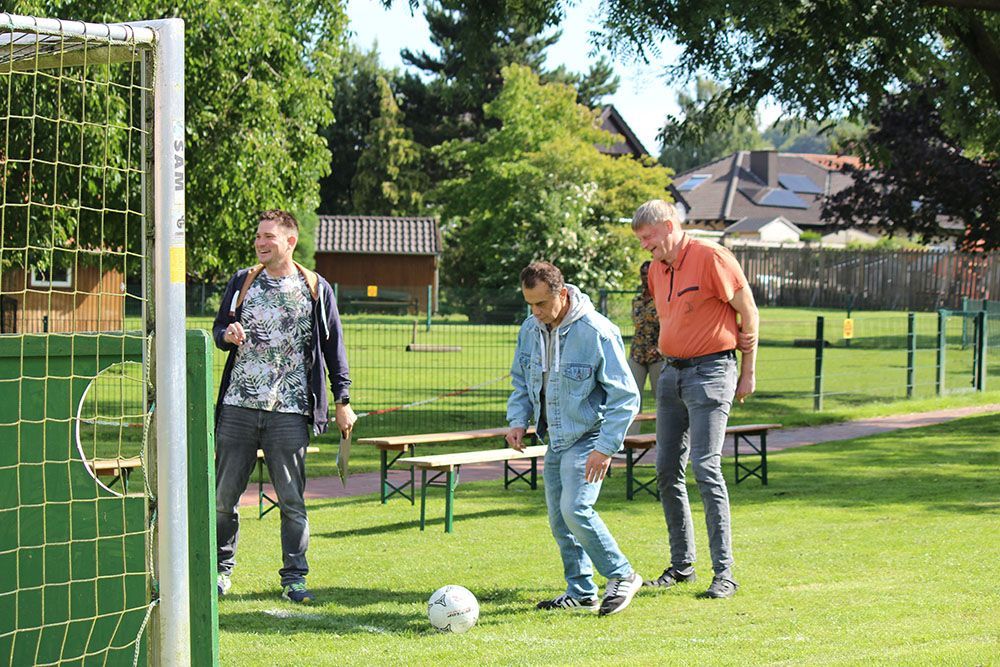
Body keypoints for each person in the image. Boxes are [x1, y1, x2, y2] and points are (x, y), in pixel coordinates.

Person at [212, 209, 356, 604]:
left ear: (289, 241)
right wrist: (228, 332)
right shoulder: (243, 281)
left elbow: (333, 348)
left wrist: (342, 400)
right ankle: (220, 573)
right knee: (224, 498)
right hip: (238, 404)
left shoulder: (315, 287)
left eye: (268, 237)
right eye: (258, 236)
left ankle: (295, 579)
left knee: (291, 501)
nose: (260, 242)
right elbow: (218, 331)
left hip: (290, 410)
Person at [630, 200, 758, 599]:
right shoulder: (655, 269)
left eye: (648, 238)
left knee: (705, 467)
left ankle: (725, 574)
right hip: (670, 374)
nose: (644, 247)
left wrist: (749, 370)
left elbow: (748, 313)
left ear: (669, 226)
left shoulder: (712, 258)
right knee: (667, 470)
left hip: (713, 371)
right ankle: (682, 566)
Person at [505, 261, 643, 616]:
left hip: (590, 436)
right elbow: (522, 380)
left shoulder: (597, 331)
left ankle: (622, 574)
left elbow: (626, 396)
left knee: (575, 509)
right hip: (557, 439)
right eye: (529, 304)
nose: (534, 312)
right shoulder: (530, 329)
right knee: (558, 519)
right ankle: (581, 590)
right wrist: (518, 421)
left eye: (540, 304)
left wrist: (605, 448)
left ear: (562, 294)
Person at [627, 260, 665, 435]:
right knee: (632, 396)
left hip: (658, 355)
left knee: (663, 399)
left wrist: (660, 347)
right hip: (637, 354)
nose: (644, 278)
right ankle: (630, 442)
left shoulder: (664, 298)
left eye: (648, 274)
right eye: (642, 274)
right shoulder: (637, 300)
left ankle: (665, 441)